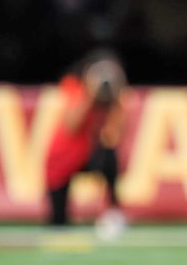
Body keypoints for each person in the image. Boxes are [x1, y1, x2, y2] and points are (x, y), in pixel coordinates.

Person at [44, 51, 128, 240]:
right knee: (58, 224)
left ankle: (113, 212)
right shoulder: (73, 86)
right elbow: (71, 126)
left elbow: (116, 135)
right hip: (63, 158)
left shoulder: (113, 98)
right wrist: (90, 94)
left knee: (110, 158)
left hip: (88, 154)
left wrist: (116, 99)